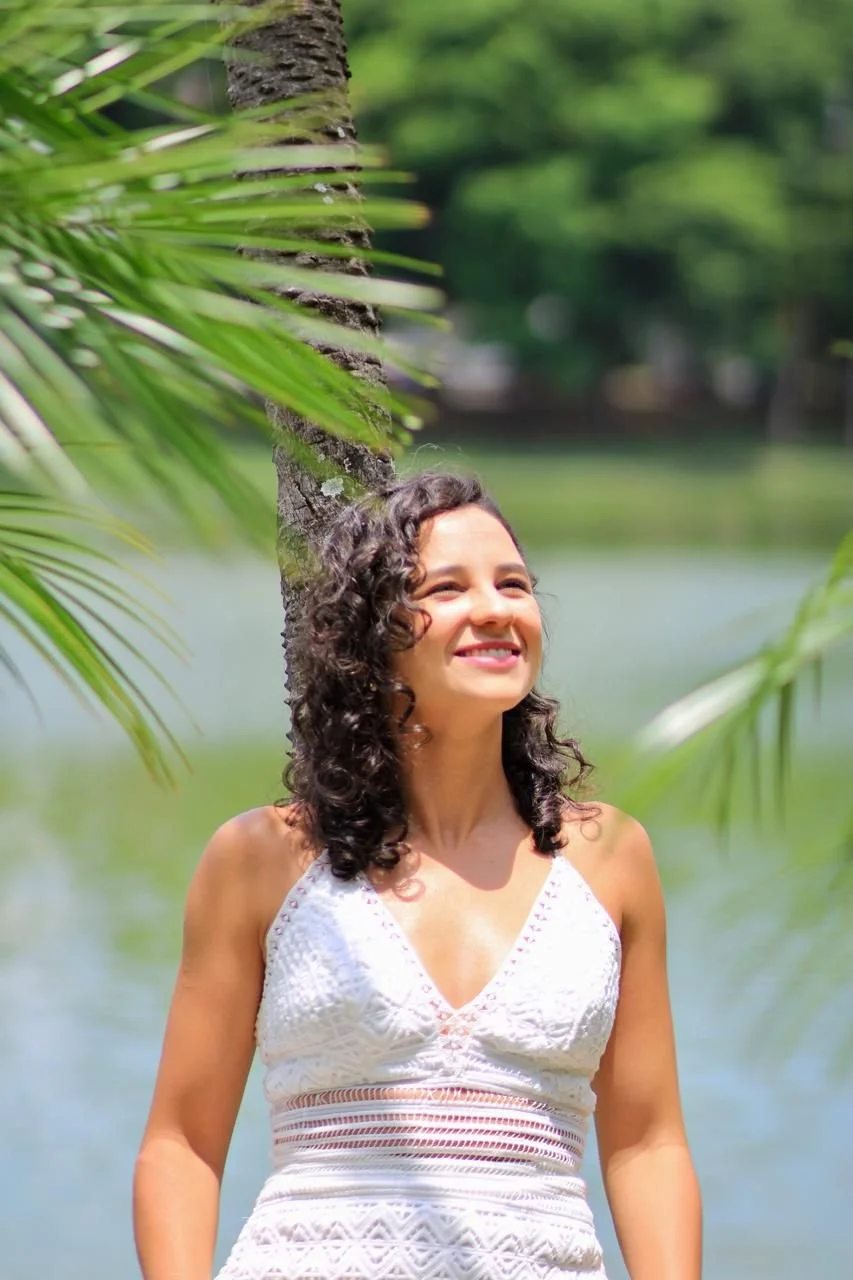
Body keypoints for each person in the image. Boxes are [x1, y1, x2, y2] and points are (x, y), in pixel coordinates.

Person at [133, 470, 702, 1280]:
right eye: (447, 587)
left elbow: (648, 1142)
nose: (496, 608)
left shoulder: (609, 858)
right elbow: (180, 1144)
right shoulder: (261, 860)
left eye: (513, 584)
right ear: (370, 637)